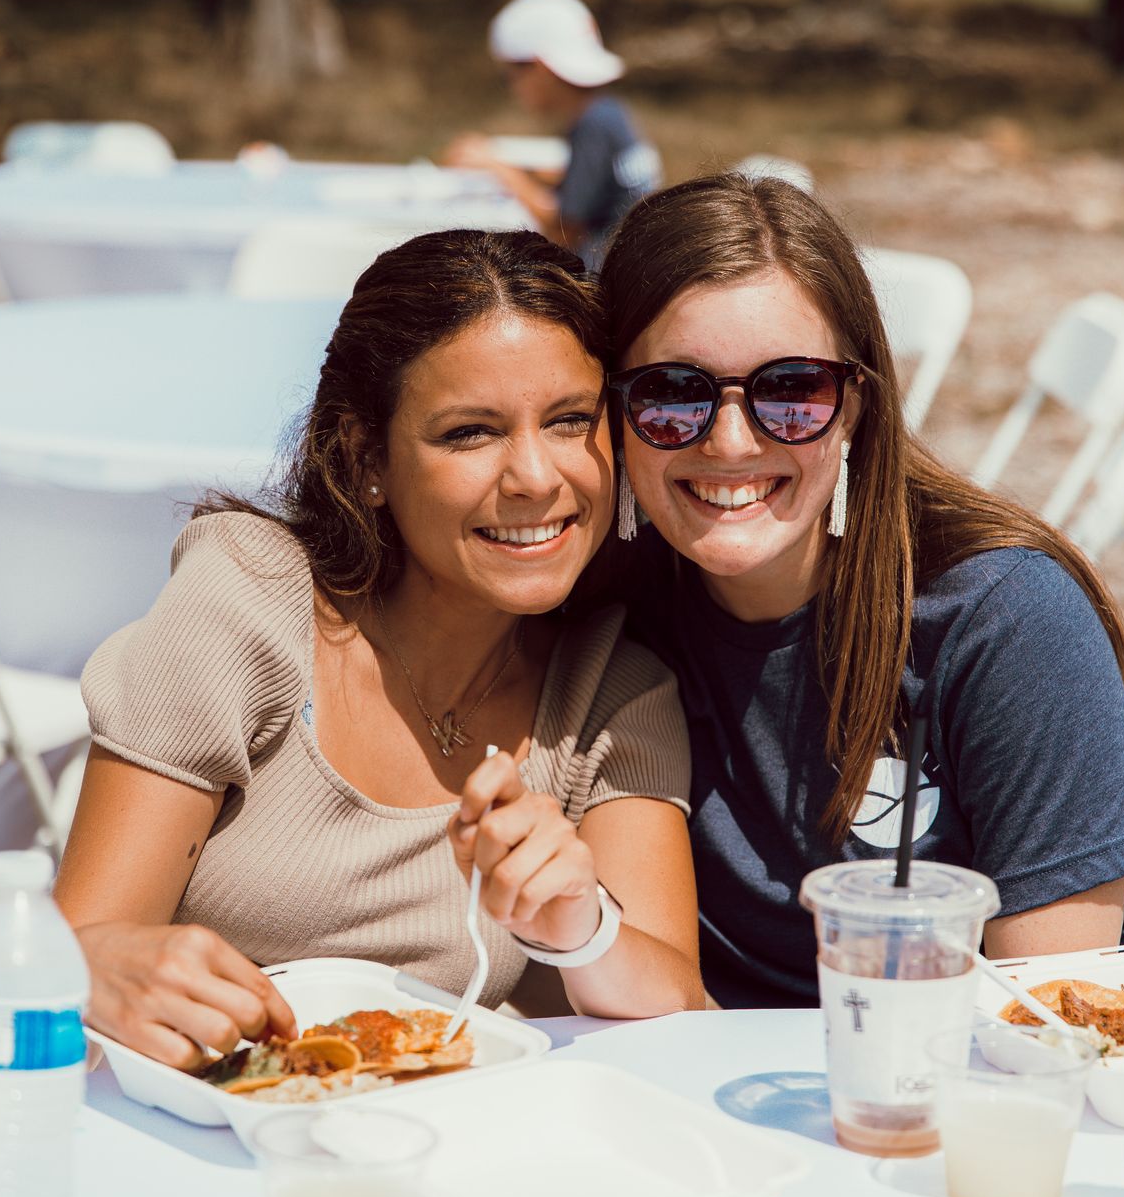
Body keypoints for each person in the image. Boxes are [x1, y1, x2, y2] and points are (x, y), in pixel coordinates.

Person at [55, 229, 705, 1070]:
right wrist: (101, 966)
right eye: (471, 432)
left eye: (571, 420)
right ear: (367, 458)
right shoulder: (249, 602)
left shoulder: (613, 692)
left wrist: (584, 923)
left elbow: (679, 1015)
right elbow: (71, 955)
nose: (537, 477)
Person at [596, 173, 1124, 1010]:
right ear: (610, 410)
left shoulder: (1001, 617)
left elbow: (1053, 1020)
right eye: (672, 395)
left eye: (791, 392)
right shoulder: (602, 610)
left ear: (855, 410)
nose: (731, 442)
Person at [443, 0, 662, 271]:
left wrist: (500, 170)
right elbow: (594, 182)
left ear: (541, 68)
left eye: (511, 74)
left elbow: (562, 233)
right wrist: (511, 165)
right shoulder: (609, 112)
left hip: (602, 277)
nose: (513, 88)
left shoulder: (591, 126)